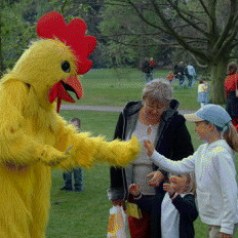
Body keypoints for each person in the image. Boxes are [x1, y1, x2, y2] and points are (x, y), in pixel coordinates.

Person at [108, 79, 194, 238]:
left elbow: (186, 154)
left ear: (167, 105)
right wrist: (117, 191)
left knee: (158, 233)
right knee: (135, 233)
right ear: (143, 100)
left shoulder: (174, 121)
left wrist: (163, 170)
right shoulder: (128, 115)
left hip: (163, 195)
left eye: (159, 107)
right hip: (133, 193)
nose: (154, 111)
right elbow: (115, 152)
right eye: (150, 105)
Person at [144, 104, 238, 238]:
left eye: (198, 124)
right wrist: (154, 154)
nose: (195, 129)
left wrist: (227, 227)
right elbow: (178, 166)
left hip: (222, 222)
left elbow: (230, 192)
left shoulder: (221, 154)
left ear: (210, 126)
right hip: (214, 220)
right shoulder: (203, 150)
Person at [129, 172, 198, 238]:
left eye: (179, 175)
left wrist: (174, 195)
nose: (173, 177)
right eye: (172, 174)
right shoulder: (164, 196)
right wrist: (137, 195)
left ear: (188, 182)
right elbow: (149, 206)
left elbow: (191, 213)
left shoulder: (188, 197)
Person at [61, 117, 84, 192]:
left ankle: (78, 187)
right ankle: (68, 186)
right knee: (67, 173)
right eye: (71, 125)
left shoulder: (80, 136)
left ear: (79, 127)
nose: (73, 127)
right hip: (68, 157)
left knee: (77, 173)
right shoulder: (67, 135)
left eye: (75, 126)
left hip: (77, 157)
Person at [224, 62, 238, 131]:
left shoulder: (227, 78)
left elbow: (226, 91)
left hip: (229, 100)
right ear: (235, 69)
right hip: (235, 100)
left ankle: (232, 135)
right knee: (236, 119)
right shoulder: (237, 76)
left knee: (230, 119)